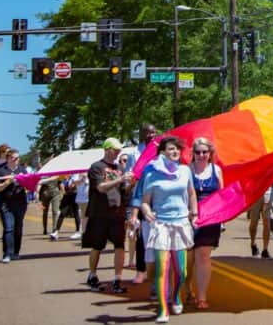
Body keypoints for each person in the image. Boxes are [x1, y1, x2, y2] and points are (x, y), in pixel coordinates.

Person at [140, 136, 197, 323]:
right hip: (161, 225)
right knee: (162, 270)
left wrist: (194, 212)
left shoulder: (185, 171)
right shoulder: (151, 174)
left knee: (181, 271)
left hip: (180, 224)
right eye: (171, 149)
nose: (175, 152)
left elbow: (191, 192)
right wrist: (147, 212)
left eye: (178, 149)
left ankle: (176, 296)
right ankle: (163, 309)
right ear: (163, 152)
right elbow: (145, 202)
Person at [83, 137, 134, 294]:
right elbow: (100, 187)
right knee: (97, 246)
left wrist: (130, 184)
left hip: (117, 213)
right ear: (107, 149)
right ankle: (92, 275)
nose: (117, 152)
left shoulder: (120, 167)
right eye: (115, 149)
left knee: (120, 246)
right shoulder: (96, 167)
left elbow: (124, 190)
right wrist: (120, 179)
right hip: (100, 213)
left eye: (119, 150)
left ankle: (117, 279)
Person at [187, 137, 222, 310]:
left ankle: (201, 297)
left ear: (210, 154)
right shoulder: (186, 170)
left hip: (210, 219)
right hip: (188, 218)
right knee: (188, 258)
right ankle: (186, 287)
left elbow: (222, 196)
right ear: (193, 154)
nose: (201, 155)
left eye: (204, 152)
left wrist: (221, 218)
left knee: (203, 256)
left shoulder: (217, 170)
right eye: (198, 152)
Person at [128, 123, 159, 285]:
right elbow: (130, 174)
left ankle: (158, 272)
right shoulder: (135, 152)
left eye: (154, 132)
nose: (152, 135)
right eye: (149, 132)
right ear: (143, 134)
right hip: (140, 195)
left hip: (158, 197)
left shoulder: (161, 149)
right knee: (141, 237)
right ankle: (141, 270)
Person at [0, 148, 28, 263]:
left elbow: (29, 187)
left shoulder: (23, 170)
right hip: (6, 203)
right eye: (13, 158)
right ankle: (7, 253)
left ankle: (16, 252)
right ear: (8, 158)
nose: (16, 160)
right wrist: (6, 183)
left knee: (18, 229)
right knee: (9, 228)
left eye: (18, 158)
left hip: (20, 202)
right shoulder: (2, 171)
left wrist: (25, 182)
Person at [247, 188, 273, 259]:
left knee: (266, 221)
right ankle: (253, 243)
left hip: (268, 193)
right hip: (255, 193)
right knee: (254, 221)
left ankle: (265, 249)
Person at [52, 175, 81, 240]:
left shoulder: (76, 175)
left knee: (76, 214)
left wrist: (72, 185)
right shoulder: (65, 176)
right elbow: (61, 184)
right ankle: (56, 232)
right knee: (62, 213)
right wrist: (63, 183)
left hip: (74, 196)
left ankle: (78, 231)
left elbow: (74, 185)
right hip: (67, 196)